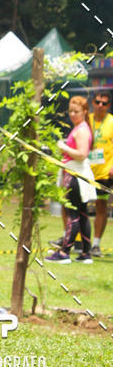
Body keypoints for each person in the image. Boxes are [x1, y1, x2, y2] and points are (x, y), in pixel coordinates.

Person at [46, 96, 94, 264]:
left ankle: (64, 252)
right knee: (82, 214)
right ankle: (86, 254)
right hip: (77, 174)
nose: (73, 114)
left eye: (77, 112)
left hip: (75, 174)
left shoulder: (81, 130)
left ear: (85, 112)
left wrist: (64, 147)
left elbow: (82, 154)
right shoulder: (82, 127)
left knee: (73, 214)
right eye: (71, 111)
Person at [88, 91, 113, 257]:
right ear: (92, 102)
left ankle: (96, 244)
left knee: (101, 206)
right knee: (76, 204)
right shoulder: (86, 119)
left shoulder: (111, 121)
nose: (100, 106)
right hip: (86, 170)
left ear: (108, 106)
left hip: (104, 171)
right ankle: (75, 240)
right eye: (98, 102)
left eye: (104, 103)